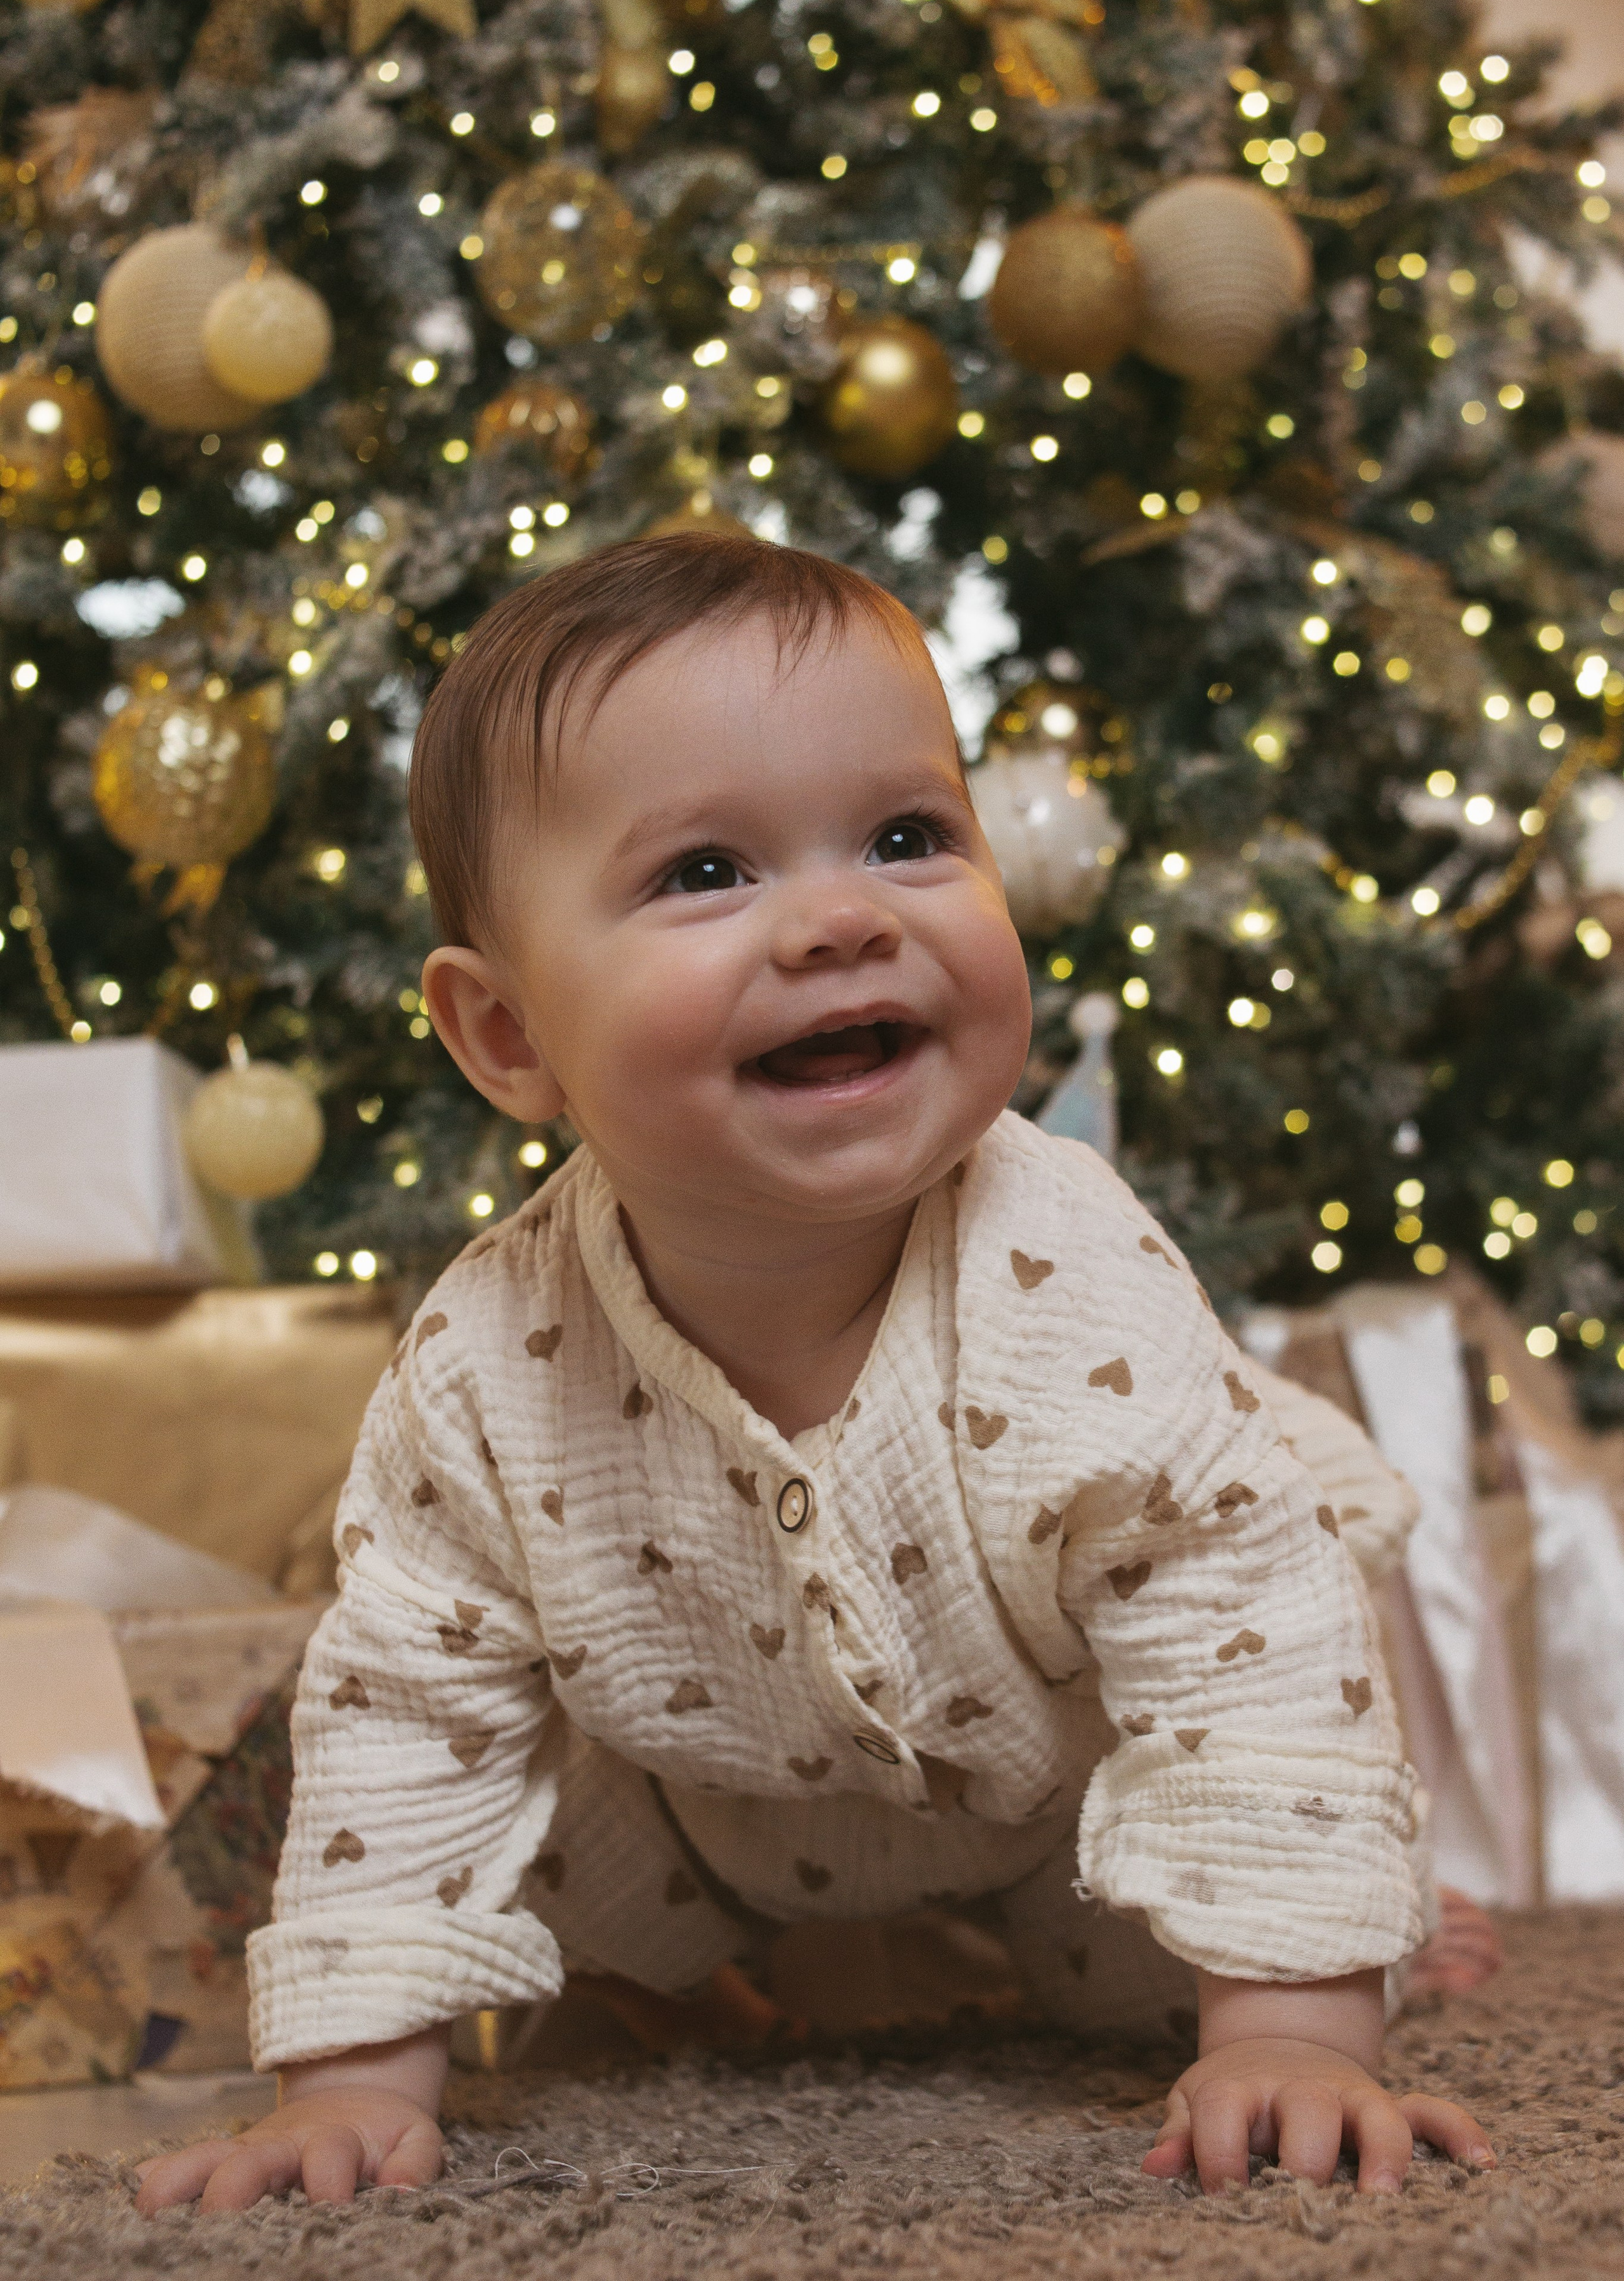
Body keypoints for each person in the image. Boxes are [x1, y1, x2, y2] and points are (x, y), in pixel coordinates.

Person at [136, 537, 1494, 2218]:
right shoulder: (488, 1361)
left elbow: (1238, 1615)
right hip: (702, 1797)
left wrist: (1294, 2022)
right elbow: (413, 1700)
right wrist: (348, 2079)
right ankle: (710, 1975)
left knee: (1188, 1960)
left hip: (1060, 1772)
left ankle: (1341, 1934)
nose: (848, 918)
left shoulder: (1066, 1272)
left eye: (910, 837)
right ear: (509, 1038)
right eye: (705, 869)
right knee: (555, 1916)